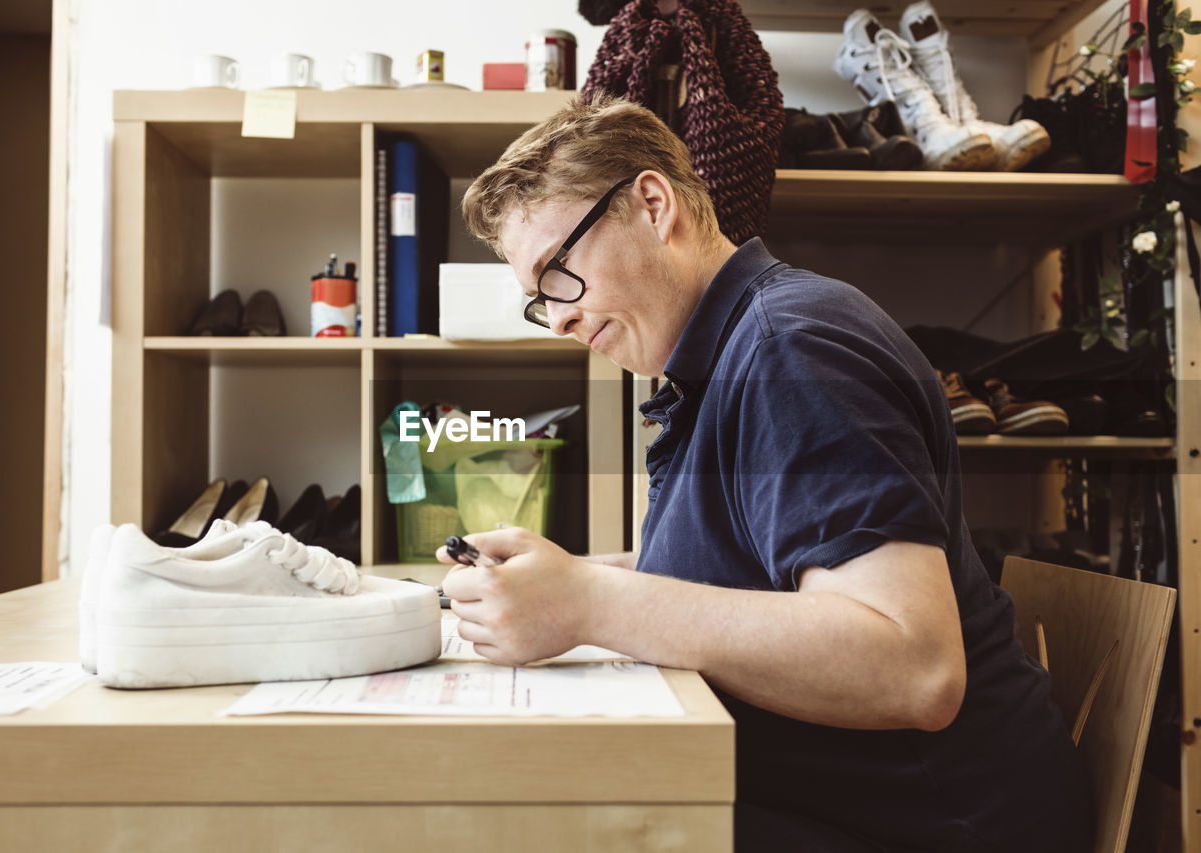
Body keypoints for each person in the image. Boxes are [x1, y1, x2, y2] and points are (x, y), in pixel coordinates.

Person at [438, 92, 1091, 852]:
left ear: (652, 205)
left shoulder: (789, 350)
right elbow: (742, 567)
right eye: (536, 300)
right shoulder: (721, 360)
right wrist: (559, 579)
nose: (557, 318)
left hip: (936, 825)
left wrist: (589, 601)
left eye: (559, 273)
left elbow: (913, 665)